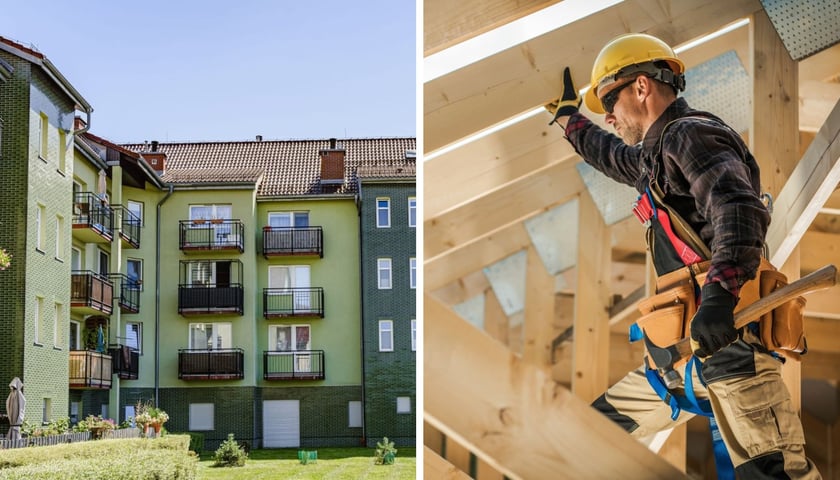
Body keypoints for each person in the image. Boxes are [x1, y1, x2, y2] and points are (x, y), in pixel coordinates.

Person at [546, 33, 820, 478]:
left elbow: (738, 209)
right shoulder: (654, 156)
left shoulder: (690, 135)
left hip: (731, 351)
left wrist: (719, 298)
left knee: (774, 474)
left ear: (641, 87)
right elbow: (610, 155)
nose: (609, 117)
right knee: (581, 437)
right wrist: (568, 118)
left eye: (609, 101)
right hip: (679, 361)